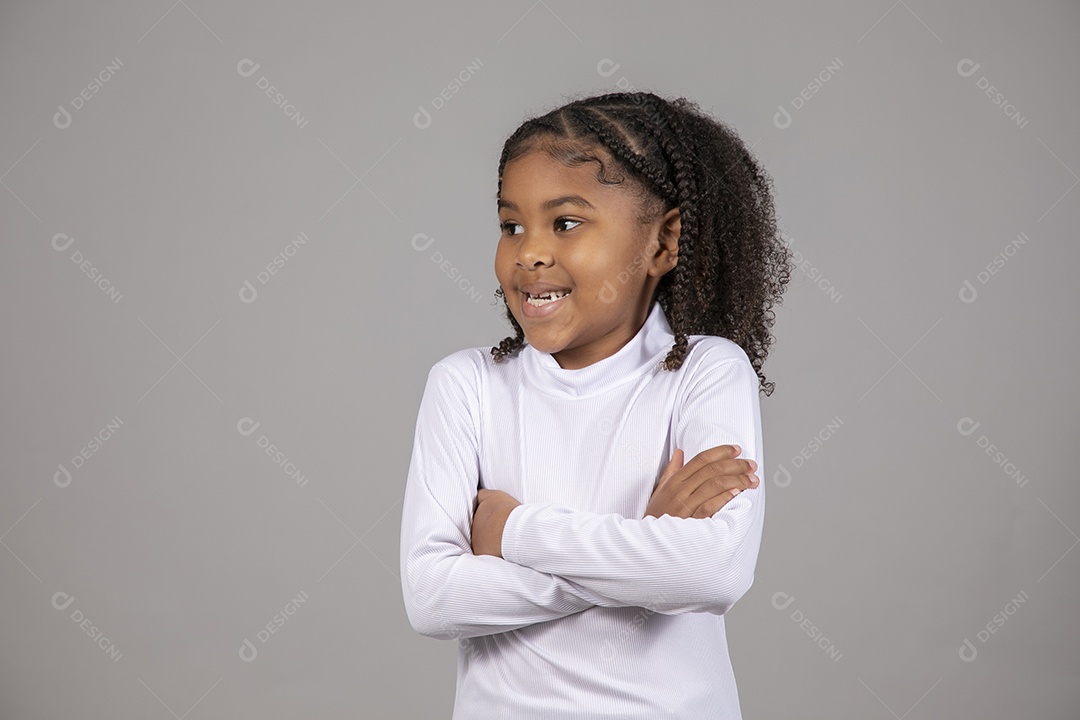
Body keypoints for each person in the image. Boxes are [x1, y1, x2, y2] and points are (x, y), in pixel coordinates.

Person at [399, 90, 793, 719]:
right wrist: (644, 545)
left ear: (662, 242)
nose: (529, 252)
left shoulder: (705, 372)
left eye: (565, 223)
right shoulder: (466, 385)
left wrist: (510, 532)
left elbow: (711, 572)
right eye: (511, 226)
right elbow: (432, 597)